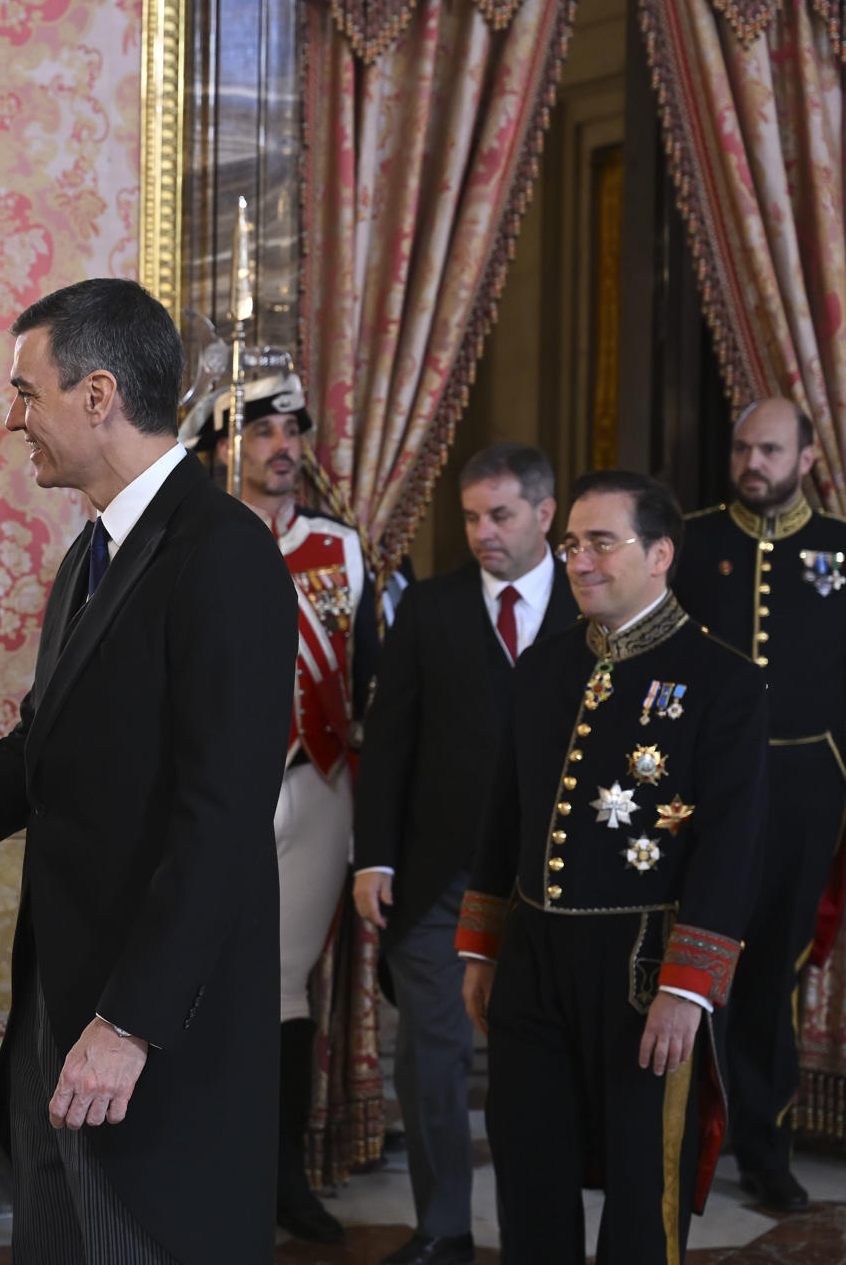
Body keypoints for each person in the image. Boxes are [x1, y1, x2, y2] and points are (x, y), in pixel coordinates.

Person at [0, 277, 297, 1263]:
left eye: (25, 392)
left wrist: (129, 1022)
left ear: (98, 396)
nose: (13, 420)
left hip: (152, 1031)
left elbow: (221, 816)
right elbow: (37, 761)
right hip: (61, 1000)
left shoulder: (223, 554)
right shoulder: (91, 554)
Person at [460, 470, 765, 1262]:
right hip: (531, 961)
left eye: (602, 542)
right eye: (572, 544)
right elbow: (506, 813)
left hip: (645, 970)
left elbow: (731, 848)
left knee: (642, 1193)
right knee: (529, 1173)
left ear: (660, 553)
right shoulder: (546, 667)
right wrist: (481, 947)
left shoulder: (723, 679)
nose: (580, 561)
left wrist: (686, 988)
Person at [353, 443, 574, 1265]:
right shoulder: (431, 608)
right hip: (439, 875)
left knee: (535, 1069)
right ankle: (443, 1226)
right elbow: (393, 746)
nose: (483, 532)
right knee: (431, 1059)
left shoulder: (591, 608)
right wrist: (373, 858)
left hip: (555, 884)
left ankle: (535, 1237)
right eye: (472, 516)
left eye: (501, 516)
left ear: (545, 515)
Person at [207, 369, 377, 1243]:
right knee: (196, 973)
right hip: (214, 789)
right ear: (221, 444)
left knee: (284, 989)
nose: (282, 448)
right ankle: (205, 1170)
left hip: (318, 786)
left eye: (292, 431)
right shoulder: (194, 537)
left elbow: (375, 676)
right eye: (261, 431)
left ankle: (281, 1179)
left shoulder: (341, 550)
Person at [672, 396, 846, 1211]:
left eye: (770, 450)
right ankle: (670, 1136)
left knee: (774, 969)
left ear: (807, 457)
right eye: (743, 447)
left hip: (807, 790)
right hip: (703, 789)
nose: (753, 463)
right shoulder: (695, 541)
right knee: (687, 962)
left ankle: (762, 1148)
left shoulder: (840, 549)